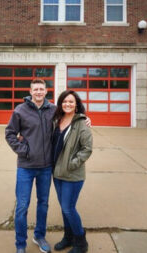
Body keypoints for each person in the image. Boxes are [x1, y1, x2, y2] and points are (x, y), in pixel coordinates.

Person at [5, 78, 56, 253]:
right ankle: (20, 244)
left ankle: (39, 235)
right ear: (30, 91)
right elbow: (10, 133)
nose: (39, 92)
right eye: (36, 90)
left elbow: (70, 116)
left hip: (46, 166)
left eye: (42, 89)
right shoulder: (20, 110)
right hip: (26, 167)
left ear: (46, 91)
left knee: (43, 203)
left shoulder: (53, 110)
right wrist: (24, 150)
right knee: (22, 206)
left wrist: (85, 118)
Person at [51, 90, 93, 253]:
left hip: (72, 174)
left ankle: (81, 243)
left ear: (76, 105)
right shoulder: (57, 120)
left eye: (71, 102)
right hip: (57, 173)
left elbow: (87, 149)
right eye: (64, 101)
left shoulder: (82, 124)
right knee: (64, 208)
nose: (67, 104)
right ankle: (68, 238)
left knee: (68, 208)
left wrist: (71, 164)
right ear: (60, 104)